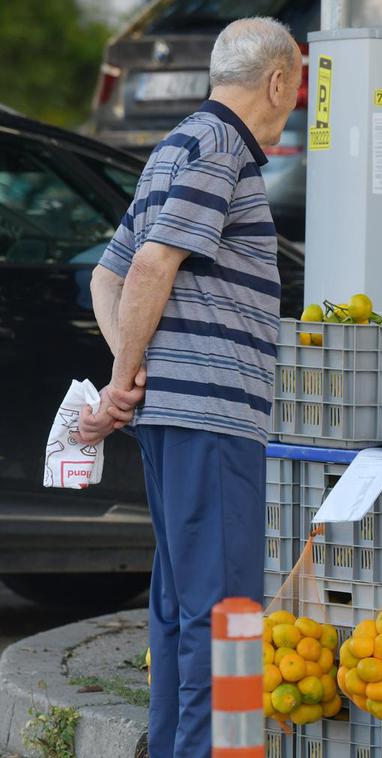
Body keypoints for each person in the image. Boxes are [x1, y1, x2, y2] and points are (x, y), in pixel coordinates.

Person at [78, 18, 302, 756]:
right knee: (228, 611)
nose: (297, 100)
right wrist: (121, 378)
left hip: (177, 414)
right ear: (277, 82)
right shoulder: (221, 149)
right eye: (298, 83)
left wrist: (131, 371)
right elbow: (146, 269)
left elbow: (108, 271)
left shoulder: (175, 145)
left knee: (181, 608)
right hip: (212, 414)